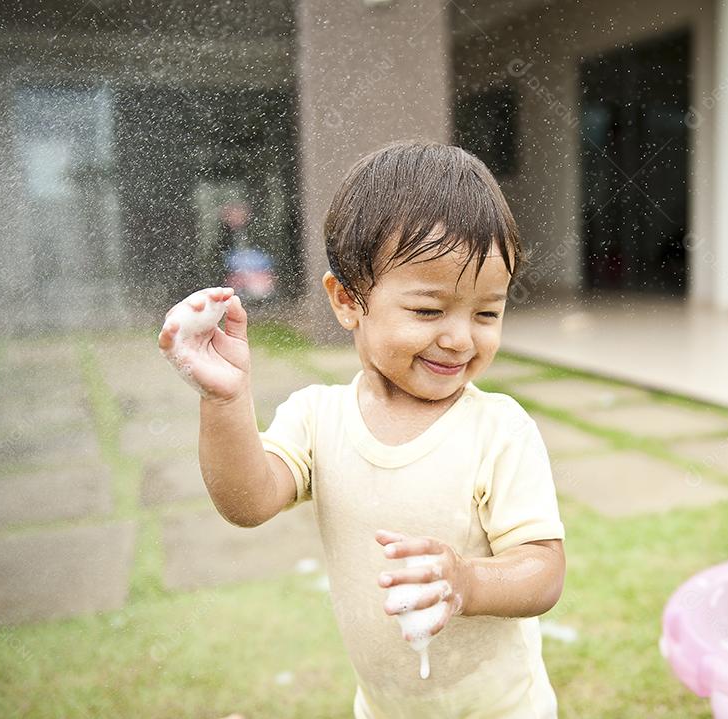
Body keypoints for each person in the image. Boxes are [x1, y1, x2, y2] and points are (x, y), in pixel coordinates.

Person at [158, 141, 566, 718]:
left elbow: (543, 570)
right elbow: (247, 502)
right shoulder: (318, 418)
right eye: (428, 311)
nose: (460, 338)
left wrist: (468, 582)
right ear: (348, 300)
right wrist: (224, 399)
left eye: (486, 313)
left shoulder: (499, 431)